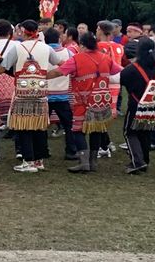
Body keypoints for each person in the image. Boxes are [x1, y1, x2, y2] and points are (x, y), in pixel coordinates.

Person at [49, 32, 121, 173]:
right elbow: (118, 71)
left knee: (77, 130)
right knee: (97, 129)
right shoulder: (105, 58)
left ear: (82, 45)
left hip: (83, 101)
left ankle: (83, 162)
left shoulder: (77, 59)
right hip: (102, 100)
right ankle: (93, 162)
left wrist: (42, 76)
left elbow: (58, 72)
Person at [0, 20, 61, 172]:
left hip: (22, 93)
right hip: (40, 93)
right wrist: (45, 75)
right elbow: (60, 62)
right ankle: (39, 160)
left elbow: (3, 67)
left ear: (23, 31)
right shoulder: (46, 48)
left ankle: (28, 161)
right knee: (39, 126)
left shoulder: (18, 47)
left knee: (24, 126)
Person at [120, 38, 155, 173]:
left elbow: (123, 80)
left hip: (136, 104)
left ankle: (138, 161)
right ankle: (145, 159)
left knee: (129, 131)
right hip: (154, 105)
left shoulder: (132, 69)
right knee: (146, 131)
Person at [43, 28, 76, 159]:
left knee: (42, 125)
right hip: (62, 95)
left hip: (45, 95)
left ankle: (43, 151)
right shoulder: (68, 52)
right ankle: (71, 151)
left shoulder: (41, 52)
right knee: (69, 125)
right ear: (59, 39)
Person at [96, 20, 124, 157]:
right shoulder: (119, 47)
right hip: (116, 82)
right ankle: (106, 143)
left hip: (103, 81)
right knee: (107, 112)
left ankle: (104, 146)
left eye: (97, 29)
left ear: (101, 30)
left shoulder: (98, 46)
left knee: (99, 112)